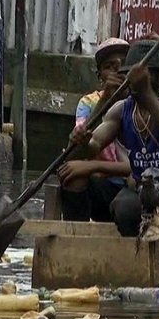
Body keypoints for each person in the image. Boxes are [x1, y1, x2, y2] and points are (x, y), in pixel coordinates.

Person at [68, 40, 159, 239]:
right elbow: (94, 145)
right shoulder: (122, 109)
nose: (132, 82)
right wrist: (82, 141)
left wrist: (146, 94)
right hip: (144, 190)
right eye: (129, 77)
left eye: (141, 77)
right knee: (123, 209)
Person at [58, 38, 131, 222]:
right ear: (100, 75)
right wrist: (107, 98)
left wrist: (92, 166)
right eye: (110, 66)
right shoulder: (88, 103)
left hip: (135, 187)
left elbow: (137, 167)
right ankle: (75, 242)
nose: (117, 72)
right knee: (72, 174)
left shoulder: (141, 102)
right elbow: (75, 152)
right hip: (104, 185)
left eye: (123, 65)